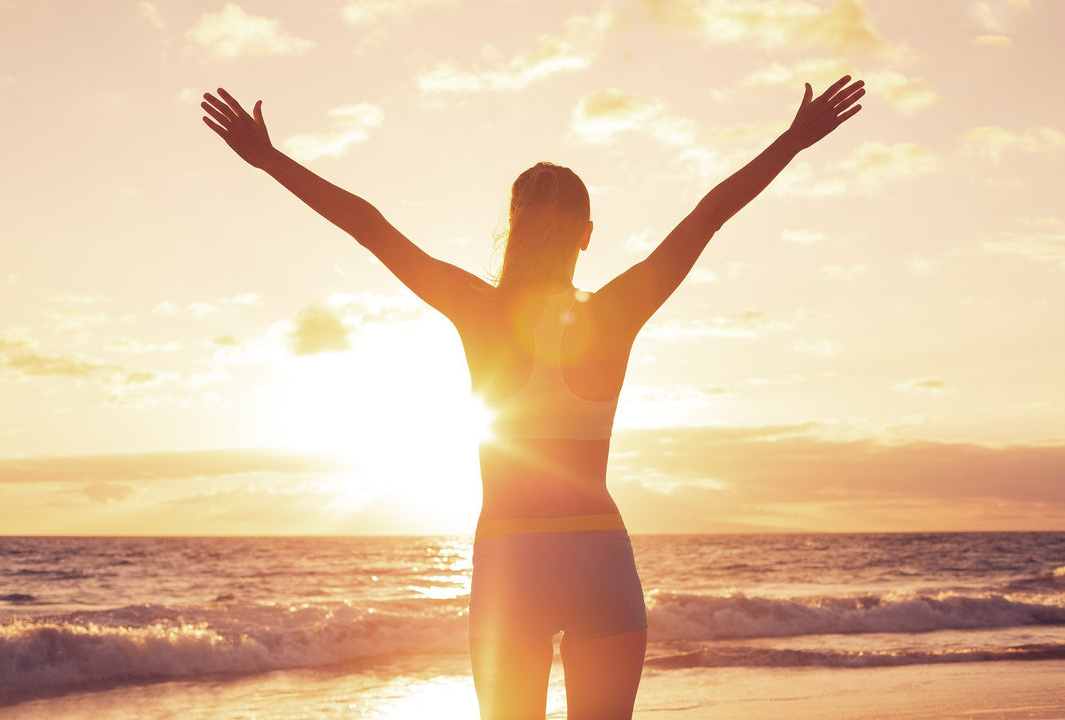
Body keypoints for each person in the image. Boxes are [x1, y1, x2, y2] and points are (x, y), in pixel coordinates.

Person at [201, 75, 864, 720]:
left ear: (513, 226)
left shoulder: (477, 310)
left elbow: (370, 227)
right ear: (587, 233)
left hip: (510, 560)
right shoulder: (616, 311)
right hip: (599, 556)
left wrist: (271, 160)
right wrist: (792, 140)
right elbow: (708, 215)